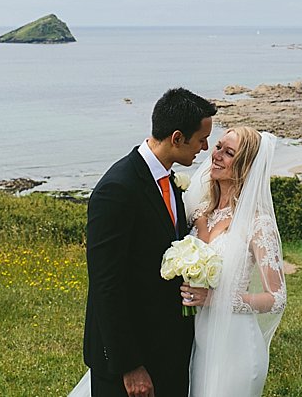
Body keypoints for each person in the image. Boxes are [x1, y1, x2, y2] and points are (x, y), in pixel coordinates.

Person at [73, 88, 216, 397]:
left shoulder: (170, 180)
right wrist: (130, 365)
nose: (205, 148)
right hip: (130, 362)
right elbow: (105, 284)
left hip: (168, 350)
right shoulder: (117, 189)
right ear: (177, 138)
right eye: (201, 139)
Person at [179, 126, 286, 397]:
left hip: (236, 347)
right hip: (198, 339)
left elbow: (277, 298)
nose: (216, 156)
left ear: (245, 167)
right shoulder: (200, 212)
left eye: (229, 153)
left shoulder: (258, 223)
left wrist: (216, 299)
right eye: (218, 147)